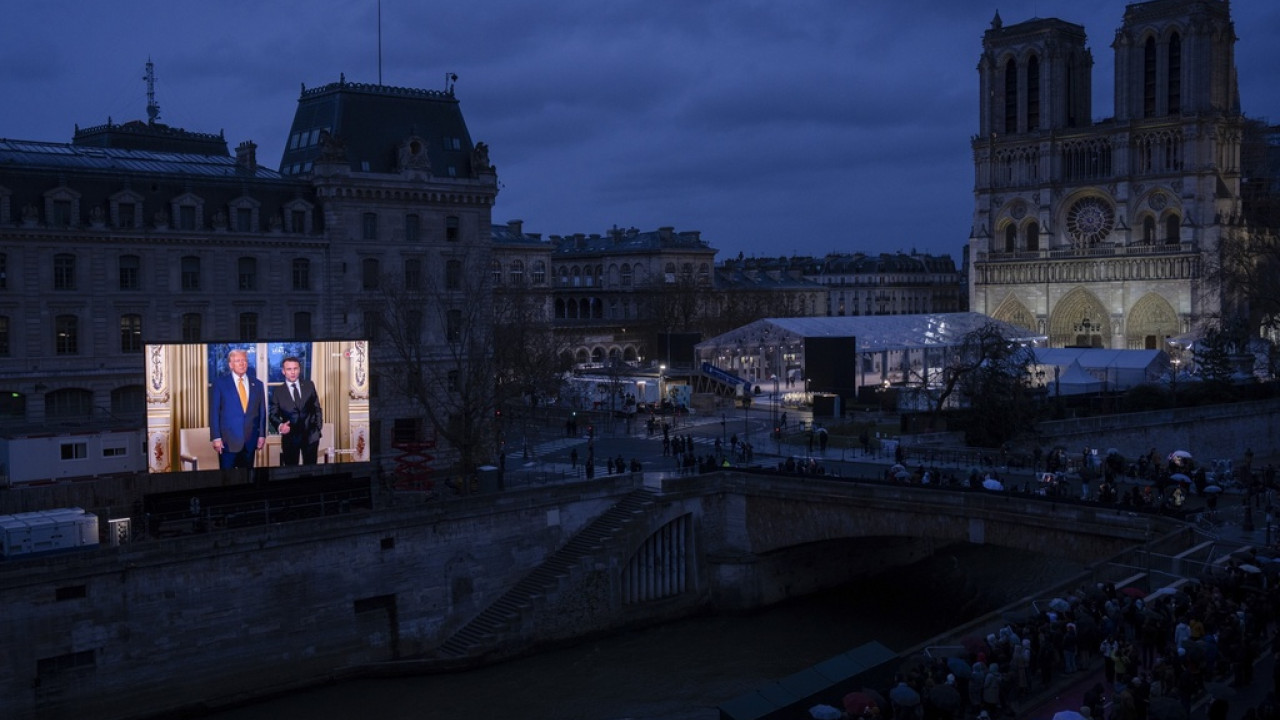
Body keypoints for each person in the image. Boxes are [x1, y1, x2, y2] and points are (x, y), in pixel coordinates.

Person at [209, 348, 267, 470]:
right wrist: (216, 437)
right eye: (238, 361)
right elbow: (214, 412)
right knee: (227, 480)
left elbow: (262, 412)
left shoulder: (257, 384)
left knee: (247, 479)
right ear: (230, 365)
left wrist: (261, 435)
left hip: (250, 442)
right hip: (227, 442)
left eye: (244, 360)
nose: (242, 363)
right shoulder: (220, 384)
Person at [269, 356, 323, 466]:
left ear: (299, 369)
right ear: (283, 371)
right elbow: (273, 415)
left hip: (311, 437)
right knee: (291, 472)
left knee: (311, 471)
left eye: (295, 368)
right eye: (289, 369)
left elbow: (317, 408)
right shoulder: (278, 391)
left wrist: (317, 428)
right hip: (290, 439)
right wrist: (280, 426)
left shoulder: (309, 385)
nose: (293, 372)